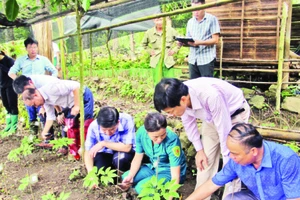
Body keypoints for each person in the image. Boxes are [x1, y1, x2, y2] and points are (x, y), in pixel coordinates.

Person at [154, 77, 250, 200]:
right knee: (205, 161)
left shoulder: (210, 95)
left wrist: (228, 161)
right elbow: (189, 123)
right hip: (210, 119)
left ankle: (230, 196)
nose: (170, 115)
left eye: (171, 111)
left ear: (183, 100)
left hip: (234, 116)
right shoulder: (179, 96)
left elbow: (224, 132)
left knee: (233, 162)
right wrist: (199, 150)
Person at [186, 123, 300, 200]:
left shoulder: (286, 160)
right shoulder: (235, 162)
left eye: (235, 153)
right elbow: (211, 185)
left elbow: (295, 197)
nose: (231, 156)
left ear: (253, 151)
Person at [21, 77, 94, 159]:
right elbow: (50, 116)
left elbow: (75, 86)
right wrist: (44, 132)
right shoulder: (45, 101)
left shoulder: (51, 88)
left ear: (35, 95)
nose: (36, 106)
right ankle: (75, 154)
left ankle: (88, 151)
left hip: (83, 96)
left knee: (86, 125)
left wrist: (77, 105)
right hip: (70, 104)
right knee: (70, 126)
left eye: (34, 104)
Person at [121, 112, 186, 195]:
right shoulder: (141, 133)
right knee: (126, 177)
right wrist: (131, 176)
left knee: (140, 188)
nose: (159, 140)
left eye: (163, 135)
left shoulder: (172, 140)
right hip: (154, 167)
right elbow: (138, 157)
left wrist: (171, 195)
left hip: (169, 171)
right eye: (155, 137)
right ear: (147, 132)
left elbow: (175, 174)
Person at [8, 37, 58, 135]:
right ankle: (33, 134)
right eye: (30, 47)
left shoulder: (43, 60)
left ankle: (48, 135)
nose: (33, 50)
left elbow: (54, 71)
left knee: (44, 111)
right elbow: (11, 72)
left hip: (40, 90)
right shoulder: (21, 60)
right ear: (26, 48)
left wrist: (51, 82)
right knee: (31, 112)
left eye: (35, 47)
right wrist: (20, 83)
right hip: (27, 91)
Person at [84, 106, 136, 173]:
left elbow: (127, 147)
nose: (108, 133)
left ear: (118, 122)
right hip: (106, 153)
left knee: (121, 160)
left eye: (112, 129)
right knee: (100, 171)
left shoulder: (126, 120)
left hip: (123, 152)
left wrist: (103, 143)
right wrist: (91, 175)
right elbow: (88, 151)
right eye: (104, 130)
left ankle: (126, 174)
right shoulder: (93, 126)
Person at [185, 0, 220, 79]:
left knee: (207, 85)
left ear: (204, 7)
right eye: (193, 9)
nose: (196, 12)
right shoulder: (190, 22)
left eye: (198, 9)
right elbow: (188, 39)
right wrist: (182, 42)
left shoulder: (212, 19)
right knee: (194, 85)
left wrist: (200, 42)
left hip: (206, 58)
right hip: (193, 58)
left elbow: (215, 40)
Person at [142, 17, 180, 84]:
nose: (159, 22)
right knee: (158, 83)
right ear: (153, 20)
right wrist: (150, 51)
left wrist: (174, 50)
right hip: (156, 61)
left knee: (171, 84)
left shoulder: (171, 30)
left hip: (168, 61)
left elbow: (180, 41)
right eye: (157, 20)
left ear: (164, 20)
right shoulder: (149, 32)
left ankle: (170, 95)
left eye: (161, 20)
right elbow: (144, 44)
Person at [0, 50, 18, 135]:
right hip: (2, 86)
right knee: (6, 105)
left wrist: (2, 66)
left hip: (11, 85)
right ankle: (8, 124)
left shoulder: (9, 61)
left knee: (12, 104)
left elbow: (13, 72)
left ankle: (14, 126)